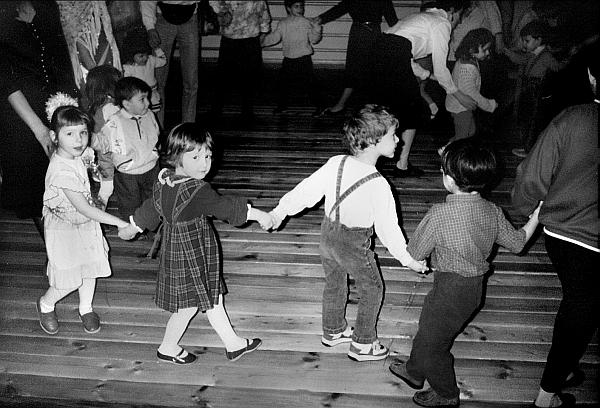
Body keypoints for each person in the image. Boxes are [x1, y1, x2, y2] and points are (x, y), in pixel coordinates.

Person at [389, 139, 542, 407]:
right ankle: (414, 371)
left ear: (449, 180)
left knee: (434, 345)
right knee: (429, 329)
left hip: (449, 291)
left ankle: (447, 394)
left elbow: (415, 253)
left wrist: (417, 261)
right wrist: (537, 215)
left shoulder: (439, 214)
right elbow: (518, 243)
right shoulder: (493, 211)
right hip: (472, 289)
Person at [269, 105, 428, 362]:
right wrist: (409, 259)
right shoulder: (379, 184)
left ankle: (333, 331)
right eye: (393, 135)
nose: (399, 140)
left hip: (327, 235)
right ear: (374, 141)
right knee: (372, 288)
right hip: (353, 243)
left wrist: (280, 212)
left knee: (334, 283)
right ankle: (363, 344)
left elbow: (306, 191)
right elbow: (388, 229)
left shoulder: (337, 162)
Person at [118, 122, 273, 364]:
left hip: (176, 250)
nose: (204, 164)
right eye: (196, 157)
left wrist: (132, 228)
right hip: (193, 252)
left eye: (208, 156)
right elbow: (226, 208)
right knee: (188, 306)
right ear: (176, 157)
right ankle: (168, 347)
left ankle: (233, 343)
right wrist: (260, 215)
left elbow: (150, 209)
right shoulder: (198, 190)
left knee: (212, 296)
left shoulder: (164, 181)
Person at [511, 46, 598, 408]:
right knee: (581, 305)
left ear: (592, 76)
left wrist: (524, 212)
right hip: (582, 237)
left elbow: (531, 176)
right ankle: (553, 384)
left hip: (565, 232)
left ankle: (554, 382)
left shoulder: (574, 118)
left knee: (579, 304)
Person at [36, 101, 131, 336]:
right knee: (68, 279)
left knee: (90, 268)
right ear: (54, 136)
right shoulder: (61, 171)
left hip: (84, 225)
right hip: (65, 229)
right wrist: (120, 222)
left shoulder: (77, 154)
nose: (78, 140)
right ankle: (46, 304)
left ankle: (86, 307)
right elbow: (84, 209)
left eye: (83, 133)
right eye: (69, 133)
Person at [371, 0, 476, 178]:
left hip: (377, 52)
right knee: (412, 113)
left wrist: (428, 75)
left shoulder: (422, 18)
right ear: (452, 11)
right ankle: (401, 166)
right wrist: (459, 96)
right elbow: (440, 68)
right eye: (460, 16)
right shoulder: (442, 22)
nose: (459, 22)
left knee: (385, 111)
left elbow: (405, 57)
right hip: (392, 56)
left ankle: (374, 160)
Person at [0, 0, 78, 238]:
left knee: (65, 179)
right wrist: (39, 129)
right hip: (20, 113)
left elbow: (61, 58)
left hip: (54, 104)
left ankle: (67, 239)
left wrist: (70, 107)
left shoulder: (46, 7)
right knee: (35, 187)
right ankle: (54, 248)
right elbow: (6, 81)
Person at [312, 0, 398, 116]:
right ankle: (346, 105)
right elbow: (340, 8)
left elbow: (393, 21)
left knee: (369, 70)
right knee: (354, 69)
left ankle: (363, 106)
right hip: (360, 32)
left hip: (369, 32)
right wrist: (321, 18)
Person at [92, 77, 160, 220]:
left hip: (151, 168)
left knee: (152, 201)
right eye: (142, 99)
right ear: (126, 104)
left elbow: (156, 133)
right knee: (130, 206)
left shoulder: (149, 115)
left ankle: (152, 226)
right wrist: (88, 138)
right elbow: (102, 142)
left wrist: (155, 150)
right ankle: (130, 227)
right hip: (128, 173)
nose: (148, 103)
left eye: (147, 98)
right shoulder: (115, 122)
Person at [502, 20, 565, 158]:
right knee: (527, 119)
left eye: (527, 41)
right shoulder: (533, 53)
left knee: (532, 121)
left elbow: (558, 68)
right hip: (530, 89)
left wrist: (566, 62)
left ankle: (530, 149)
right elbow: (521, 60)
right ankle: (528, 146)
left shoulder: (546, 55)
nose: (524, 44)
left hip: (537, 91)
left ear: (538, 40)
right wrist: (509, 53)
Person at [209, 0, 271, 123]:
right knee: (222, 77)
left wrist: (264, 30)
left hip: (250, 39)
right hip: (230, 38)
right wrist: (221, 11)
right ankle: (216, 110)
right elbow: (213, 2)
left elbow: (263, 10)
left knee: (249, 78)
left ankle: (247, 112)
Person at [140, 1, 200, 125]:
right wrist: (150, 27)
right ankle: (157, 126)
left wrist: (217, 9)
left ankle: (188, 127)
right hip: (163, 18)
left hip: (190, 17)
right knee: (157, 81)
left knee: (191, 80)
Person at [261, 0, 324, 116]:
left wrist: (317, 29)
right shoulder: (283, 23)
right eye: (296, 6)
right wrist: (262, 42)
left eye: (301, 6)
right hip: (288, 59)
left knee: (310, 83)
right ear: (288, 8)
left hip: (304, 59)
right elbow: (275, 37)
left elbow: (314, 40)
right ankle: (282, 106)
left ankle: (320, 106)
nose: (300, 9)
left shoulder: (306, 22)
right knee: (282, 83)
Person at [441, 28, 497, 155]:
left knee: (469, 132)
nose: (488, 53)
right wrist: (489, 105)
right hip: (461, 107)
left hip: (462, 105)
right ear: (472, 49)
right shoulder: (467, 67)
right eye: (485, 49)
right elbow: (471, 92)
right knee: (463, 136)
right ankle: (451, 156)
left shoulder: (468, 60)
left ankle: (446, 149)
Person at [57, 1, 122, 90]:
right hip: (88, 65)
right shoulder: (70, 13)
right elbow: (76, 38)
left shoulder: (98, 10)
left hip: (99, 38)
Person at [83, 65, 123, 206]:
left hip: (103, 152)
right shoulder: (110, 107)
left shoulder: (97, 105)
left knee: (108, 184)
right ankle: (97, 212)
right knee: (107, 188)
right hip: (109, 154)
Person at [121, 28, 167, 118]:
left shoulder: (151, 60)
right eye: (141, 56)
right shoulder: (129, 67)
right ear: (131, 55)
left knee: (153, 115)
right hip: (138, 97)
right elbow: (127, 83)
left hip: (152, 95)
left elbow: (163, 61)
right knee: (141, 115)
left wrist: (157, 49)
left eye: (146, 54)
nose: (145, 58)